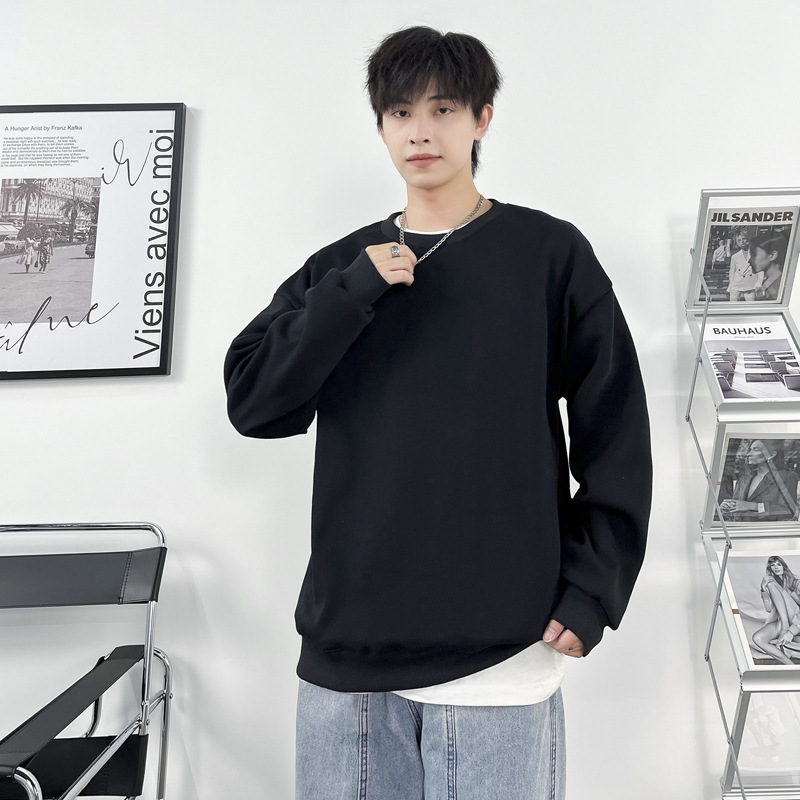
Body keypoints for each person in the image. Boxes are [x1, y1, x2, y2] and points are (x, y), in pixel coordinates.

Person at [224, 26, 652, 800]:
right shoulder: (341, 268)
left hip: (500, 654)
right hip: (345, 658)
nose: (420, 131)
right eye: (400, 112)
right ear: (381, 126)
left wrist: (594, 588)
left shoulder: (548, 254)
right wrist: (351, 295)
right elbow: (256, 405)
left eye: (443, 109)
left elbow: (614, 428)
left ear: (482, 119)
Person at [719, 440, 799, 522]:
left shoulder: (786, 476)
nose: (749, 454)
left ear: (772, 454)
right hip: (740, 528)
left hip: (764, 529)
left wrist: (753, 506)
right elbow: (735, 513)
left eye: (756, 449)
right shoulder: (743, 479)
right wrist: (727, 509)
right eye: (750, 449)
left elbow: (788, 510)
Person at [752, 556, 800, 665]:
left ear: (784, 567)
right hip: (782, 620)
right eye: (772, 565)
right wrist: (763, 589)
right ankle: (790, 666)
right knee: (758, 638)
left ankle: (785, 626)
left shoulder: (797, 583)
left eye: (779, 564)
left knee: (771, 583)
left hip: (796, 621)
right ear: (770, 569)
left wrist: (791, 631)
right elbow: (769, 609)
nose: (776, 567)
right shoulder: (774, 585)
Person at [750, 232, 788, 302]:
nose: (749, 260)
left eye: (754, 255)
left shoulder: (777, 290)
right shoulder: (772, 280)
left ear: (772, 255)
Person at [727, 226, 758, 301]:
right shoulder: (735, 257)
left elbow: (760, 270)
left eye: (744, 239)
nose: (742, 241)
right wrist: (730, 286)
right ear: (737, 243)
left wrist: (758, 284)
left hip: (750, 285)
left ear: (747, 239)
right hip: (736, 284)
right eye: (739, 240)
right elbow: (732, 272)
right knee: (733, 306)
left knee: (751, 306)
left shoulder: (755, 254)